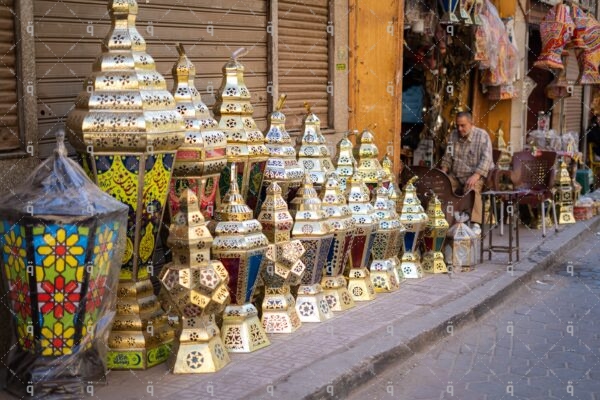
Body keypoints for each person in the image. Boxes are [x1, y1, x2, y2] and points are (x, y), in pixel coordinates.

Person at [439, 111, 493, 226]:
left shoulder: (482, 135)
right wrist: (442, 174)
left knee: (471, 189)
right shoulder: (453, 135)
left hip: (475, 175)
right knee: (441, 186)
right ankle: (443, 221)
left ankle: (475, 224)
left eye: (463, 125)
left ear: (471, 123)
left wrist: (476, 175)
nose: (459, 129)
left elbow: (487, 159)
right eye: (457, 125)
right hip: (456, 176)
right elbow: (447, 158)